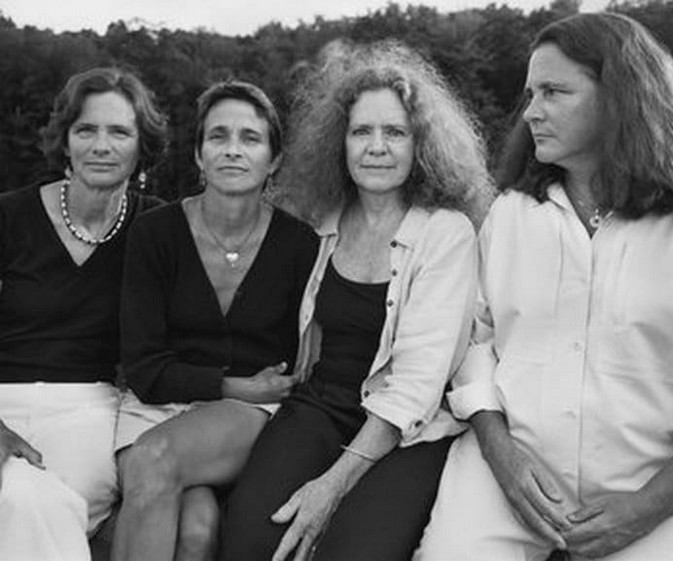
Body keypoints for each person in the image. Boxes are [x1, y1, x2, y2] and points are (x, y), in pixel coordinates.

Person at [415, 12, 673, 561]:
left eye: (553, 92)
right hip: (510, 471)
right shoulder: (511, 214)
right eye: (531, 94)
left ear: (621, 97)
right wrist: (503, 460)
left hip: (657, 487)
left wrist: (650, 506)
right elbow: (475, 342)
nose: (531, 112)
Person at [219, 40, 493, 561]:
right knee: (252, 540)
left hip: (408, 428)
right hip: (319, 405)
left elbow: (416, 387)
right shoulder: (318, 221)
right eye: (361, 131)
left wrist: (331, 486)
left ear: (421, 144)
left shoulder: (446, 233)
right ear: (339, 143)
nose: (376, 147)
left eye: (395, 132)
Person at [112, 80, 319, 561]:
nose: (232, 150)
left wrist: (246, 395)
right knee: (197, 531)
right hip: (155, 406)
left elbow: (303, 362)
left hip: (247, 416)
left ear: (273, 159)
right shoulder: (154, 234)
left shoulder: (299, 245)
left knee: (154, 459)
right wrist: (235, 385)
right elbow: (142, 366)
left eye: (250, 138)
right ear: (199, 155)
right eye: (218, 136)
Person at [0, 67, 166, 561]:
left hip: (88, 413)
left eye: (119, 132)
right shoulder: (8, 216)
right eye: (86, 129)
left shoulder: (156, 227)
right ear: (66, 141)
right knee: (25, 500)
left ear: (141, 146)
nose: (101, 145)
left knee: (25, 499)